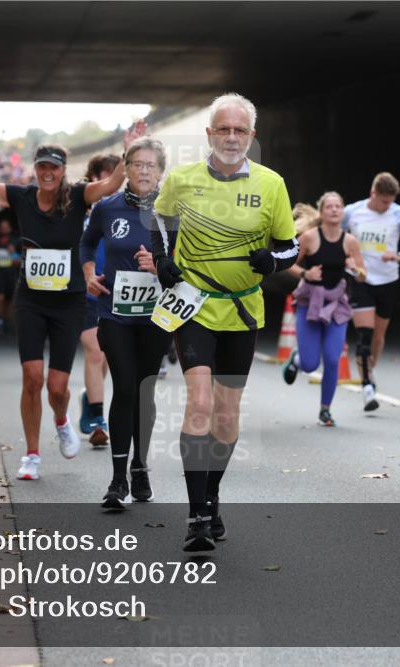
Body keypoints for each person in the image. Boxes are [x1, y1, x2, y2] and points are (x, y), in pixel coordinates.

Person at [0, 108, 143, 481]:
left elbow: (111, 186)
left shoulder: (79, 197)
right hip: (31, 301)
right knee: (32, 377)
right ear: (35, 169)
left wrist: (128, 152)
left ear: (63, 169)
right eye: (42, 167)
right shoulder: (20, 197)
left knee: (56, 386)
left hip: (68, 303)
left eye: (54, 167)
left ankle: (62, 419)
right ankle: (32, 454)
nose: (48, 173)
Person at [146, 93, 297, 551]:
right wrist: (161, 258)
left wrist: (270, 261)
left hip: (242, 309)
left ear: (251, 137)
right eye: (223, 129)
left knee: (227, 415)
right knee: (199, 403)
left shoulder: (272, 185)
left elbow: (289, 248)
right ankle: (195, 518)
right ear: (209, 134)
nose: (231, 137)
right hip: (193, 307)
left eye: (240, 130)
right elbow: (159, 219)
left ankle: (211, 497)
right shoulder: (183, 179)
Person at [81, 137, 172, 509]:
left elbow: (188, 262)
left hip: (156, 315)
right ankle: (118, 479)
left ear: (161, 171)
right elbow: (86, 244)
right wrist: (89, 272)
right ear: (127, 167)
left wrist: (160, 266)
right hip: (114, 313)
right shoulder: (107, 208)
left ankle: (140, 466)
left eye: (151, 165)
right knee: (125, 388)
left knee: (144, 390)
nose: (144, 171)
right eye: (138, 164)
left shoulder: (173, 210)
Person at [281, 192, 366, 426]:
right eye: (329, 206)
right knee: (310, 364)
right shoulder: (309, 238)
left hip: (336, 305)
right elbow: (289, 264)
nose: (334, 210)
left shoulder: (350, 241)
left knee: (331, 358)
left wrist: (354, 268)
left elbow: (362, 275)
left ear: (343, 211)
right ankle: (296, 360)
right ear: (322, 211)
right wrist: (306, 274)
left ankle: (325, 410)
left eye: (338, 206)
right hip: (310, 303)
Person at [343, 172, 400, 411]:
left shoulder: (399, 214)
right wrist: (347, 259)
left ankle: (369, 370)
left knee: (377, 336)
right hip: (361, 279)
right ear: (373, 193)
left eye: (391, 201)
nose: (388, 206)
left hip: (387, 280)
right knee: (364, 334)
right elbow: (335, 237)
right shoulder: (352, 213)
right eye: (384, 201)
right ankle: (367, 386)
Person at [78, 154, 123, 446]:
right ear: (91, 178)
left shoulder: (123, 210)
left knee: (104, 356)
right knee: (95, 351)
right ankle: (97, 418)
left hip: (116, 292)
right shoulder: (77, 208)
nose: (106, 181)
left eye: (113, 175)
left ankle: (89, 397)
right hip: (84, 293)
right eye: (100, 175)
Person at [0, 211, 20, 334]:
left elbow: (21, 260)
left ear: (10, 228)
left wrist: (13, 254)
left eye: (5, 227)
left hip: (11, 273)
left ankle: (7, 320)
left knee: (10, 299)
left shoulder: (16, 241)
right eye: (1, 227)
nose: (3, 229)